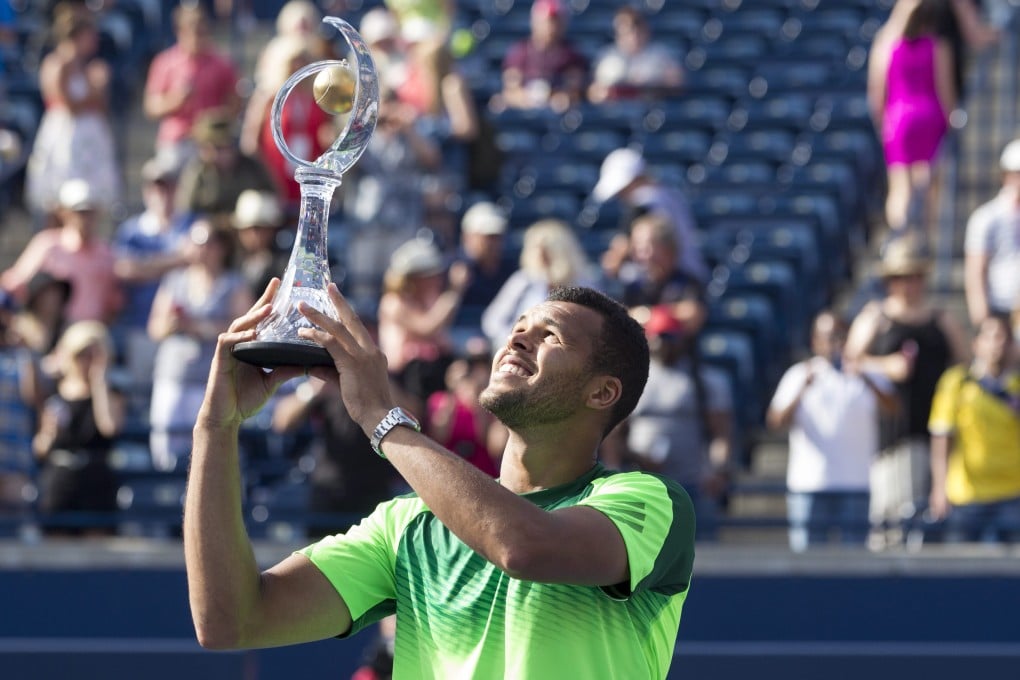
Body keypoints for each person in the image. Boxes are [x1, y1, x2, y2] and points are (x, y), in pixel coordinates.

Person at [184, 281, 695, 678]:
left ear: (602, 393)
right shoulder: (406, 523)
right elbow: (231, 620)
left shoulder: (647, 501)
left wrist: (383, 418)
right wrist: (215, 427)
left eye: (551, 336)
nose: (518, 337)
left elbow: (521, 547)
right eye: (520, 326)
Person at [845, 237, 969, 549]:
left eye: (915, 276)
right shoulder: (877, 317)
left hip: (935, 434)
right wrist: (887, 365)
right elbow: (851, 361)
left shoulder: (941, 319)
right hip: (892, 437)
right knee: (891, 522)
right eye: (901, 277)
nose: (909, 284)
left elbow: (966, 364)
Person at [767, 310, 898, 552]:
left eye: (840, 336)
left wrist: (866, 379)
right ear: (815, 341)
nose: (834, 343)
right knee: (806, 566)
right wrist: (802, 389)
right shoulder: (799, 374)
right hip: (809, 486)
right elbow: (775, 422)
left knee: (854, 565)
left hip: (856, 484)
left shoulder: (867, 373)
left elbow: (893, 409)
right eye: (827, 336)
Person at [617, 304, 731, 542]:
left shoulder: (703, 380)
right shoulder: (631, 380)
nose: (663, 343)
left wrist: (718, 470)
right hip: (643, 484)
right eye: (658, 337)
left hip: (691, 486)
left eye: (669, 337)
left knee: (698, 556)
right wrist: (635, 458)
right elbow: (614, 435)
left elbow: (721, 433)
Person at [147, 219, 252, 472]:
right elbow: (155, 328)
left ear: (220, 247)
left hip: (211, 380)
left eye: (205, 242)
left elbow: (243, 328)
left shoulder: (233, 283)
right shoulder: (175, 281)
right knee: (165, 452)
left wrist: (197, 327)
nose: (199, 249)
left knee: (209, 452)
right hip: (173, 377)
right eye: (195, 242)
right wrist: (173, 324)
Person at [928, 313, 1020, 543]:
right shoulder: (956, 382)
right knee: (962, 570)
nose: (996, 344)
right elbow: (942, 437)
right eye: (990, 337)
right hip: (967, 495)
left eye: (1003, 338)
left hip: (1013, 492)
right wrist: (939, 487)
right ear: (976, 343)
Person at [271, 376, 400, 539]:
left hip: (373, 489)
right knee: (319, 557)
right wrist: (313, 390)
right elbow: (282, 422)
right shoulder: (327, 381)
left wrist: (380, 382)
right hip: (328, 489)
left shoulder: (382, 377)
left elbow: (415, 413)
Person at [867, 0, 956, 236]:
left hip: (897, 120)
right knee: (929, 183)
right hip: (929, 116)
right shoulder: (937, 46)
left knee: (900, 187)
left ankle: (900, 239)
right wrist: (952, 122)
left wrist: (883, 122)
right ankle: (927, 241)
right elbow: (945, 91)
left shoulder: (886, 44)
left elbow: (877, 92)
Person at [24, 3, 119, 219]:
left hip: (91, 137)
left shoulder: (90, 66)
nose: (94, 40)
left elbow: (102, 106)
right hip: (63, 138)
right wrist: (95, 91)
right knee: (58, 200)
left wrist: (98, 90)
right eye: (90, 35)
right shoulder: (56, 64)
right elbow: (69, 105)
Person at [32, 320, 124, 536]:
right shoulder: (54, 396)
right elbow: (40, 449)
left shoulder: (113, 393)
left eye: (94, 354)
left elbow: (109, 427)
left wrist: (99, 384)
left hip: (96, 480)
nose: (88, 361)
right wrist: (48, 433)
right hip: (60, 482)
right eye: (82, 354)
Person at [111, 153, 193, 392]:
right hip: (140, 327)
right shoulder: (132, 231)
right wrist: (178, 260)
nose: (162, 194)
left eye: (167, 187)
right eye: (157, 187)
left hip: (182, 332)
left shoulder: (193, 223)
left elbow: (199, 261)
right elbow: (125, 270)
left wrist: (147, 267)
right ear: (147, 191)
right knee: (140, 393)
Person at [2, 178, 122, 325]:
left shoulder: (106, 253)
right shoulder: (48, 245)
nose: (86, 219)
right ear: (64, 213)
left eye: (90, 212)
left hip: (90, 332)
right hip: (51, 331)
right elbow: (16, 283)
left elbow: (113, 302)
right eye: (80, 212)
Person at [240, 35, 333, 215]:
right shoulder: (269, 97)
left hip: (308, 167)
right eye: (293, 61)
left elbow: (325, 131)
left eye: (302, 61)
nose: (298, 66)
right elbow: (251, 138)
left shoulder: (316, 96)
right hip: (275, 169)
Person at [481, 219, 601, 350]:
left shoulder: (583, 283)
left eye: (548, 251)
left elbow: (596, 324)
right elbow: (492, 321)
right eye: (536, 249)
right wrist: (514, 341)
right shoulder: (523, 280)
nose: (541, 255)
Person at [593, 147, 707, 283]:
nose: (620, 196)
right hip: (690, 277)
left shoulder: (643, 201)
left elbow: (614, 260)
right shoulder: (671, 196)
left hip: (674, 284)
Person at [377, 237, 469, 403]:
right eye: (431, 275)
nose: (438, 279)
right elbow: (428, 328)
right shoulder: (393, 302)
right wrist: (455, 291)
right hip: (407, 375)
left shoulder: (427, 299)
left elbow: (442, 336)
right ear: (413, 278)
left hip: (431, 369)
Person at [143, 4, 240, 160]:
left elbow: (235, 102)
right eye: (191, 31)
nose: (197, 38)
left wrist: (216, 118)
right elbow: (151, 107)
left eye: (202, 31)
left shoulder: (222, 63)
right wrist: (175, 100)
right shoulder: (165, 62)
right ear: (179, 31)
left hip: (212, 143)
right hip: (177, 142)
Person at [174, 108, 277, 225]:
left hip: (249, 231)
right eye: (213, 147)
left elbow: (273, 200)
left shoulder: (251, 167)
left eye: (223, 147)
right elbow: (186, 213)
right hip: (212, 234)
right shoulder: (197, 171)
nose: (218, 154)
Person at [424, 338, 504, 477]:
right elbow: (437, 438)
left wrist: (481, 403)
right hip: (448, 474)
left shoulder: (493, 404)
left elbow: (495, 448)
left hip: (485, 476)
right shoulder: (440, 400)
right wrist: (451, 392)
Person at [492, 0, 588, 113]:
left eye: (555, 22)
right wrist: (531, 98)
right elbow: (511, 90)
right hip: (525, 113)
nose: (550, 26)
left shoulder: (571, 54)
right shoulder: (520, 52)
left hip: (558, 114)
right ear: (535, 21)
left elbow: (574, 90)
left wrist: (559, 98)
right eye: (547, 21)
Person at [963, 138, 1020, 327]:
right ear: (1006, 176)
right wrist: (983, 321)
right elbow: (975, 272)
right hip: (999, 312)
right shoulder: (986, 217)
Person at [587, 6, 684, 105]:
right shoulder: (608, 57)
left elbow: (677, 84)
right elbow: (594, 93)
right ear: (617, 32)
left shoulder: (660, 54)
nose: (633, 35)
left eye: (637, 28)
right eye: (628, 30)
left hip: (652, 109)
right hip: (616, 111)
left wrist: (652, 85)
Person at [452, 200, 515, 326]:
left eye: (497, 237)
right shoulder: (453, 269)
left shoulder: (512, 270)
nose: (493, 243)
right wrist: (454, 290)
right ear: (468, 237)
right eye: (487, 237)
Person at [231, 190, 291, 300]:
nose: (253, 235)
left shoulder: (282, 265)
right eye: (247, 229)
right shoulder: (230, 260)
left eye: (260, 229)